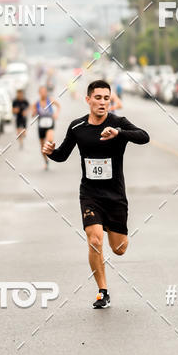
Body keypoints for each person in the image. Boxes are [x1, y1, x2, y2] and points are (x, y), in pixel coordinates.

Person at [42, 80, 149, 309]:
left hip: (115, 195)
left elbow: (143, 136)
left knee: (119, 249)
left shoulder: (117, 122)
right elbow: (62, 155)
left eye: (106, 98)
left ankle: (109, 226)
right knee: (94, 240)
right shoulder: (77, 127)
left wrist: (119, 133)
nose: (102, 102)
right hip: (90, 194)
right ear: (88, 99)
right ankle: (102, 291)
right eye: (98, 97)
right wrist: (50, 153)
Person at [35, 86, 60, 168]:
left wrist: (56, 113)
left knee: (49, 140)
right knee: (42, 147)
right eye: (41, 92)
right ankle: (46, 161)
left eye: (44, 92)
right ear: (39, 93)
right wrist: (34, 113)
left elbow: (58, 106)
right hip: (41, 125)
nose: (43, 93)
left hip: (50, 124)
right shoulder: (37, 103)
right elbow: (33, 113)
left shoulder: (50, 100)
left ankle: (49, 150)